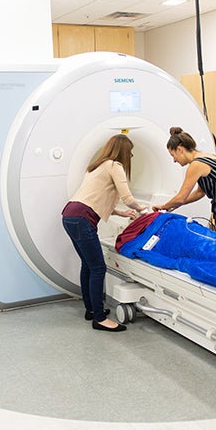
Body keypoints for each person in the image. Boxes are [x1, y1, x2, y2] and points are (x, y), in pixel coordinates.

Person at [61, 134, 147, 332]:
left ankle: (91, 310)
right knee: (98, 268)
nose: (130, 157)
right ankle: (99, 319)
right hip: (82, 219)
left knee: (88, 265)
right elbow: (127, 197)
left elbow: (96, 198)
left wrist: (121, 213)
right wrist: (144, 210)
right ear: (124, 152)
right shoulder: (115, 166)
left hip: (70, 215)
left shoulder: (96, 166)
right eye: (130, 153)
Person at [152, 127, 216, 245]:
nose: (174, 160)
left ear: (179, 149)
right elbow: (200, 192)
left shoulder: (196, 164)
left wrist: (164, 206)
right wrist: (173, 206)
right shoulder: (205, 157)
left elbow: (180, 198)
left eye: (173, 155)